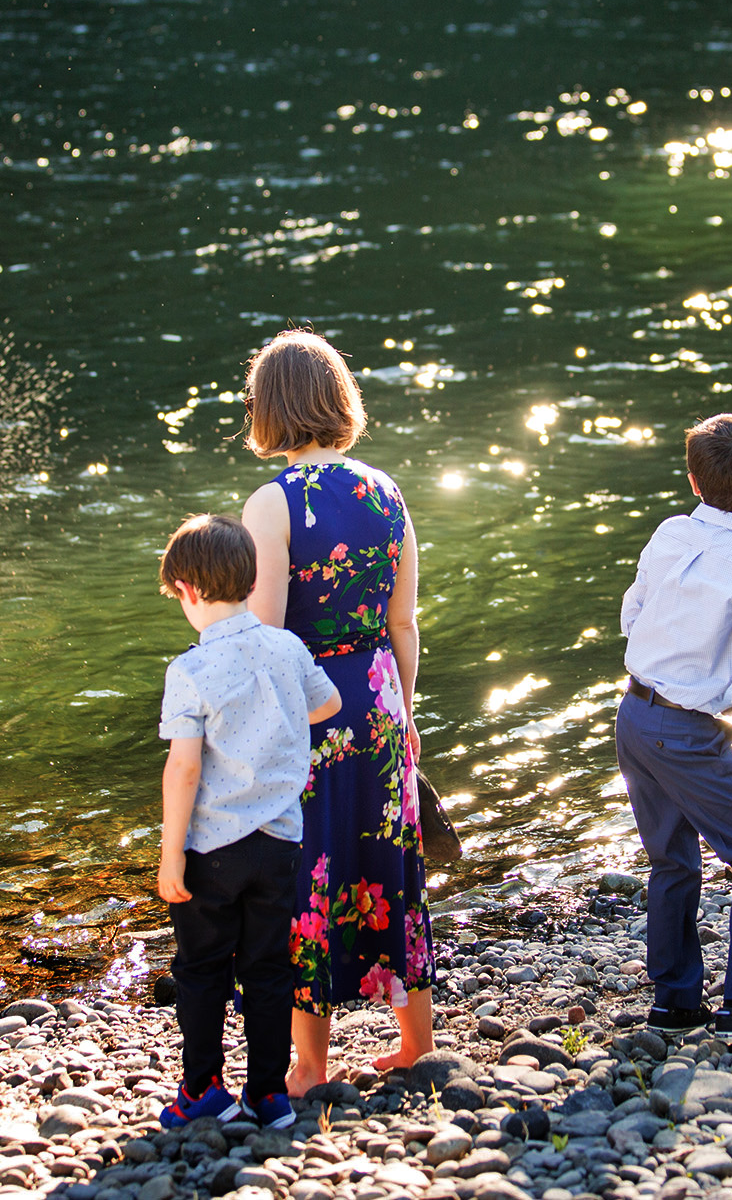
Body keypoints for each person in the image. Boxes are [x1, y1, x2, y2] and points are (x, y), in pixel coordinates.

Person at [237, 329, 435, 1093]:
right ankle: (417, 1042)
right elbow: (405, 622)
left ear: (272, 408)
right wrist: (405, 710)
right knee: (392, 864)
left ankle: (311, 1063)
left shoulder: (274, 501)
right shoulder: (386, 491)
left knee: (312, 867)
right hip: (380, 697)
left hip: (311, 706)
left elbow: (267, 633)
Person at [155, 513, 342, 1128]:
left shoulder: (189, 671)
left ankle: (204, 1089)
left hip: (211, 847)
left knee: (202, 969)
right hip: (278, 843)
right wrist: (277, 725)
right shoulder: (285, 648)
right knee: (267, 969)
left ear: (188, 591)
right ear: (248, 578)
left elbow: (183, 769)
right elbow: (329, 703)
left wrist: (171, 853)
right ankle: (268, 1094)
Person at [615, 413, 732, 1037]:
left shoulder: (668, 534)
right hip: (688, 730)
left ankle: (674, 1001)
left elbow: (631, 615)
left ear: (692, 479)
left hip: (633, 716)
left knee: (671, 862)